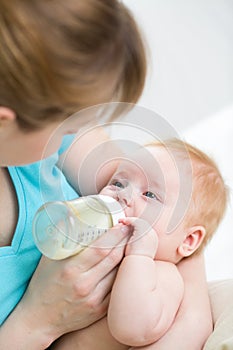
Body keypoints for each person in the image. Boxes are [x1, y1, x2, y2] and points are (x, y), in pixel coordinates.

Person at [0, 1, 212, 349]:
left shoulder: (44, 123)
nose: (86, 127)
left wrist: (182, 282)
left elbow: (175, 200)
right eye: (74, 117)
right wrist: (38, 320)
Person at [51, 139, 228, 349]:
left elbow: (132, 329)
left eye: (150, 195)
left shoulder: (163, 275)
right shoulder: (96, 240)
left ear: (188, 241)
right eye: (118, 183)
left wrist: (139, 257)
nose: (123, 195)